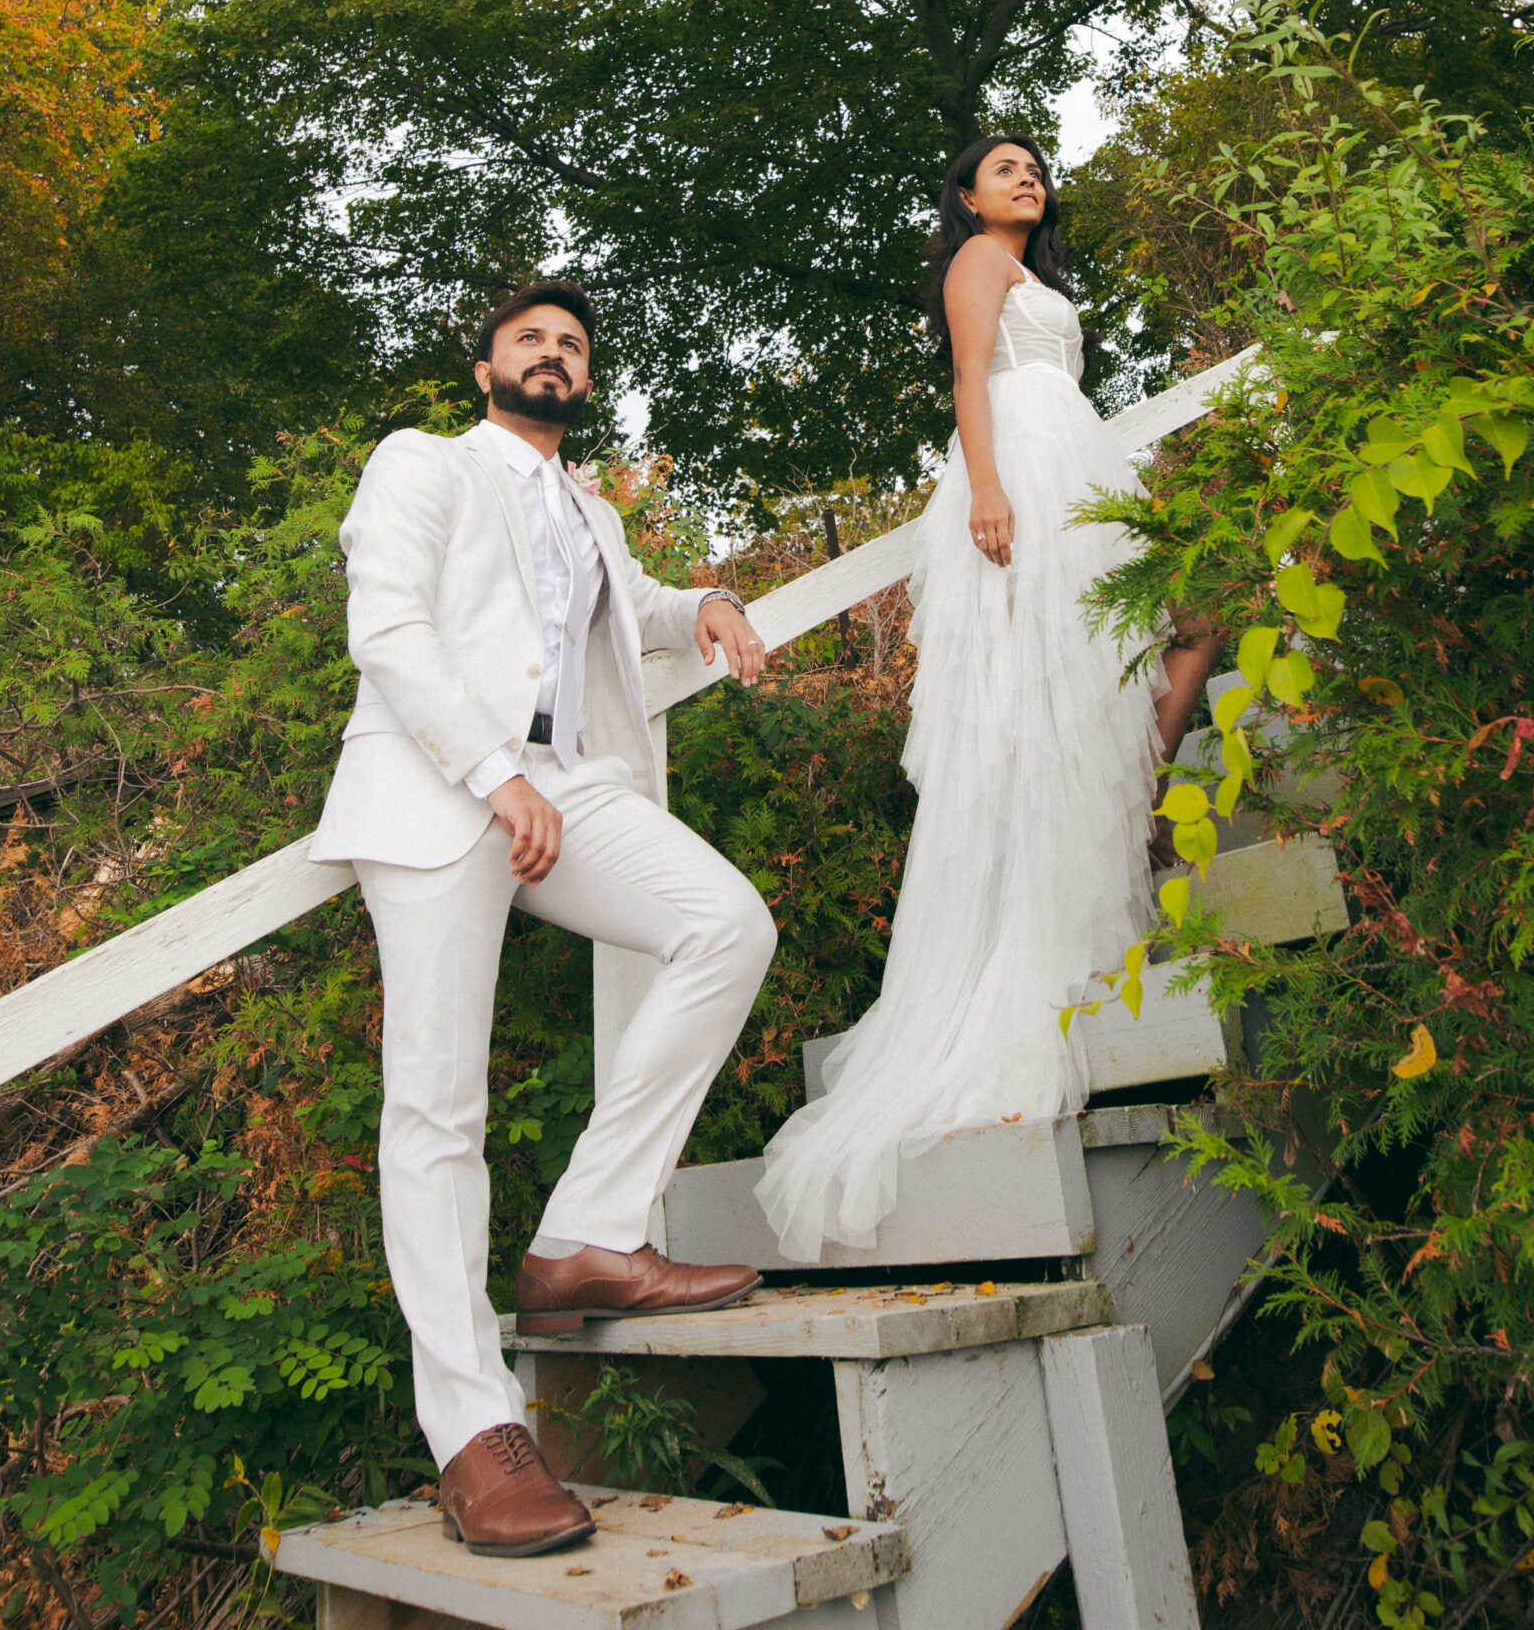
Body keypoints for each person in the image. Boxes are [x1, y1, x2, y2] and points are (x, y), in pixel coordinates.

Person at [309, 281, 778, 1558]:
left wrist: (707, 603)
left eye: (572, 344)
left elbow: (632, 605)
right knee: (436, 1103)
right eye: (531, 338)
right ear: (485, 369)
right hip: (437, 780)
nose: (554, 354)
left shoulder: (592, 509)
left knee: (727, 925)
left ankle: (582, 1238)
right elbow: (387, 627)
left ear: (586, 380)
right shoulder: (422, 463)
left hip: (566, 784)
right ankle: (475, 1431)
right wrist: (489, 771)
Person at [755, 137, 1223, 1264]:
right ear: (966, 196)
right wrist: (989, 490)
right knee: (1050, 685)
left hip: (1075, 462)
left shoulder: (1035, 273)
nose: (1026, 177)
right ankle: (1114, 842)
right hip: (1021, 472)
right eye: (1003, 168)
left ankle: (1129, 811)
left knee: (1161, 640)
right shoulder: (977, 260)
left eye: (1033, 166)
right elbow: (971, 375)